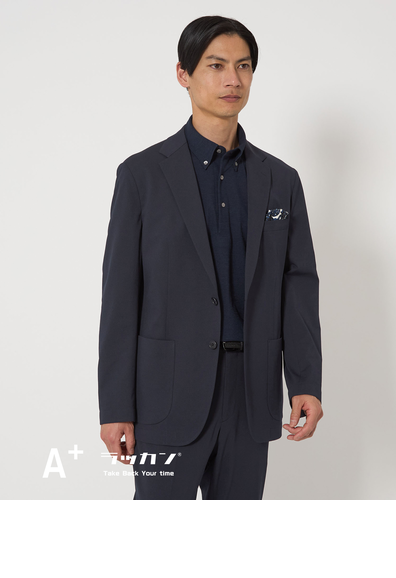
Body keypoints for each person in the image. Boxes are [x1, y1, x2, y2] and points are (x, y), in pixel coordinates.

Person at [98, 15, 323, 500]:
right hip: (166, 396)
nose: (232, 80)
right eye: (216, 65)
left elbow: (298, 286)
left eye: (243, 66)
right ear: (183, 74)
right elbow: (120, 296)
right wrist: (115, 405)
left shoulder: (280, 180)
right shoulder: (141, 176)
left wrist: (306, 381)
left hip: (251, 394)